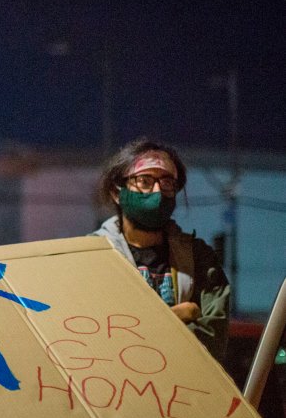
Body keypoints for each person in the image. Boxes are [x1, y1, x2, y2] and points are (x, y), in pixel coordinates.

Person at [91, 139, 230, 363]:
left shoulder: (198, 256)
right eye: (144, 181)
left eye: (166, 183)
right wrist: (180, 314)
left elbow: (212, 338)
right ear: (117, 192)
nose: (157, 191)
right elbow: (89, 336)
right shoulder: (92, 255)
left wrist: (136, 331)